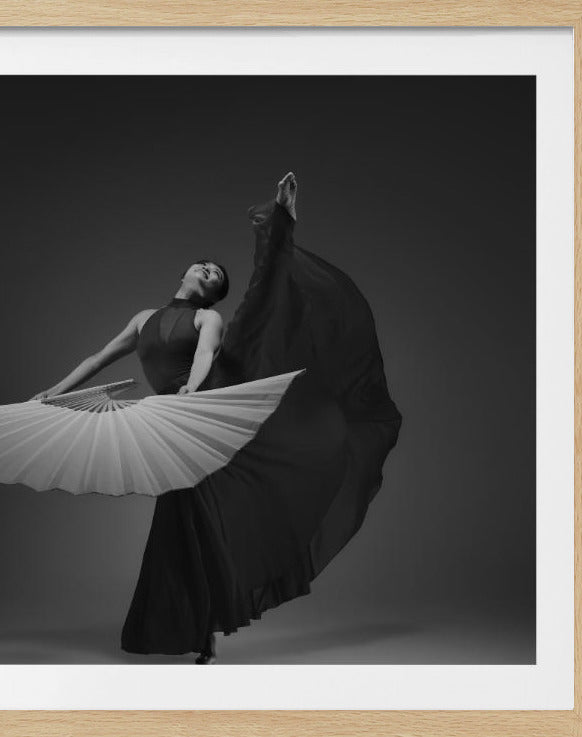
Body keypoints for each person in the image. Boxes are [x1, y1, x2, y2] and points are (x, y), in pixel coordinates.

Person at [42, 171, 403, 664]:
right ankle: (195, 630)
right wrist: (55, 392)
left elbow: (206, 356)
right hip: (166, 420)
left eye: (215, 275)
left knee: (196, 517)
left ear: (212, 295)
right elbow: (98, 358)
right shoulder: (143, 319)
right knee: (179, 522)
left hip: (197, 412)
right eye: (205, 266)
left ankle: (203, 634)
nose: (209, 270)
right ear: (186, 273)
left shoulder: (206, 318)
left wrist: (191, 391)